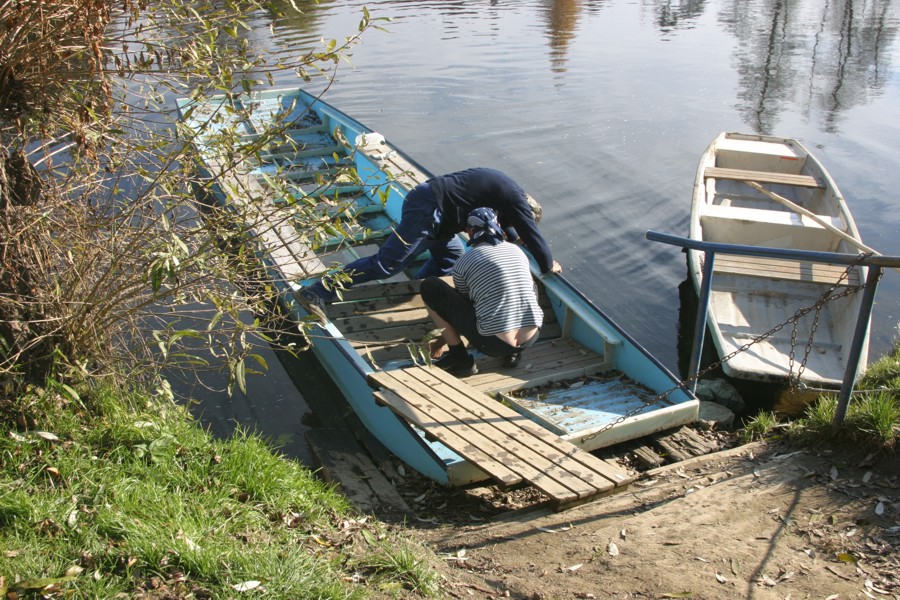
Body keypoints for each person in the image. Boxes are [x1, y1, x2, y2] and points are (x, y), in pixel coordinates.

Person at [300, 167, 561, 306]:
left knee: (450, 258)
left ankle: (420, 287)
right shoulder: (514, 199)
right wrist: (547, 265)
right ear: (521, 210)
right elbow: (529, 230)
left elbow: (513, 228)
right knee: (386, 264)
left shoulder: (506, 195)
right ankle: (321, 289)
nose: (506, 225)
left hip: (441, 214)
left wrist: (516, 239)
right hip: (429, 208)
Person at [421, 207, 544, 376]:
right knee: (530, 285)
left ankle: (460, 359)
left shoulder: (463, 262)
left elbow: (466, 303)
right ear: (498, 225)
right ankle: (513, 354)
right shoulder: (518, 251)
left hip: (492, 344)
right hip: (532, 337)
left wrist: (439, 341)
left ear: (470, 231)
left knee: (430, 286)